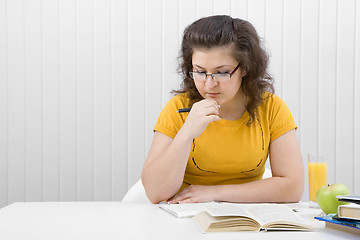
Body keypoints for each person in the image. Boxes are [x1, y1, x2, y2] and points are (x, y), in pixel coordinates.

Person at [141, 15, 304, 204]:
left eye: (221, 72)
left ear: (245, 68)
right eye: (200, 72)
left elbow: (292, 188)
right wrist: (186, 133)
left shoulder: (272, 108)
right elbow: (155, 192)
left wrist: (214, 193)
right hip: (186, 216)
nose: (209, 84)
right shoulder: (178, 107)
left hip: (246, 219)